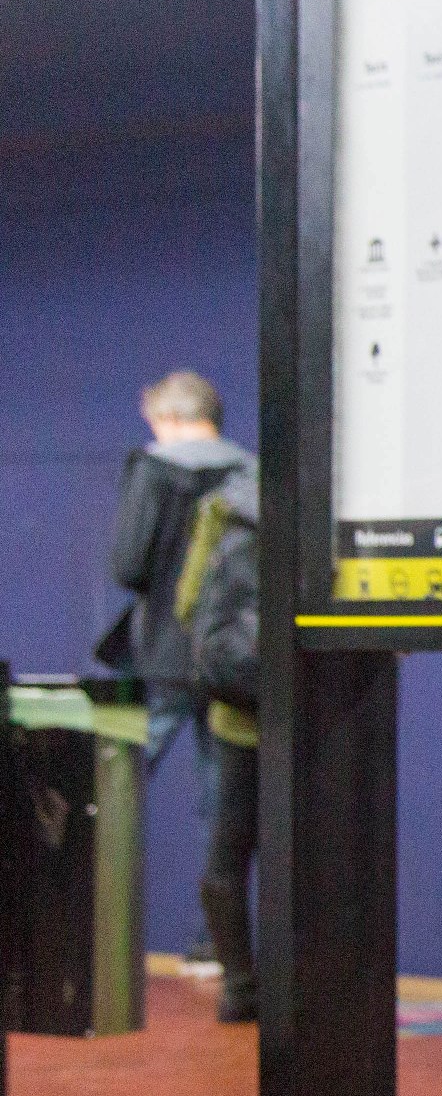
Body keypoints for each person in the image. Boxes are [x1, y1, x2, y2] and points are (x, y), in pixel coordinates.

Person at [108, 370, 253, 972]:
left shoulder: (151, 468)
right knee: (221, 807)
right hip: (228, 661)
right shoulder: (250, 473)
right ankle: (215, 947)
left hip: (166, 655)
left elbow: (128, 565)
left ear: (164, 418)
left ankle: (89, 926)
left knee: (111, 784)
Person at [170, 462, 260, 1023]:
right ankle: (293, 982)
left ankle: (240, 987)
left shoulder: (229, 508)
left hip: (239, 711)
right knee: (307, 855)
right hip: (314, 715)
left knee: (228, 852)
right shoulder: (341, 502)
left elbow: (188, 604)